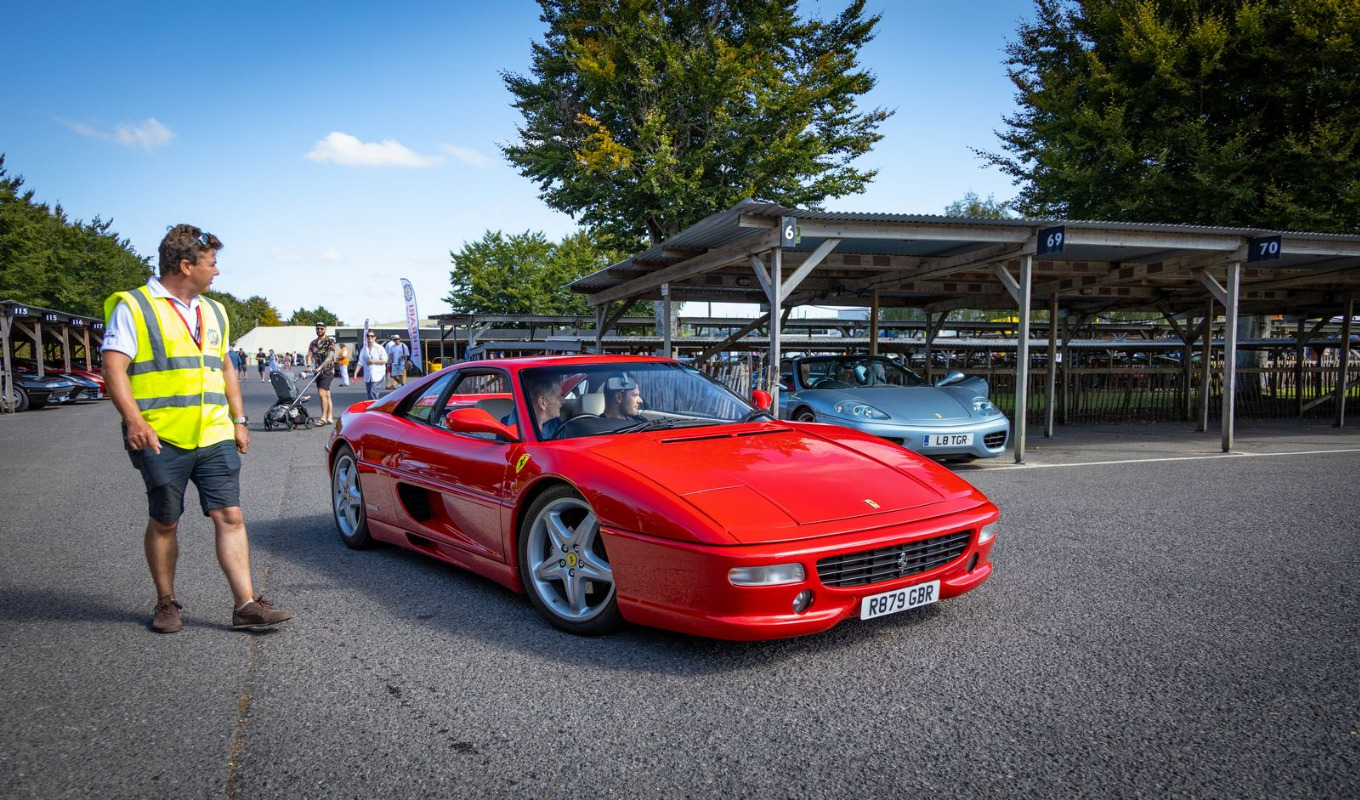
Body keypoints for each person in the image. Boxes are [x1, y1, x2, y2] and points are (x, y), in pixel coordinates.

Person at [100, 224, 292, 634]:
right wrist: (134, 420)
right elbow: (113, 367)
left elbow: (225, 368)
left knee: (231, 515)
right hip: (160, 436)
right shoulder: (135, 307)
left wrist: (239, 420)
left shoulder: (215, 311)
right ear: (186, 266)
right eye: (212, 263)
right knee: (166, 521)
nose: (217, 271)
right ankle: (166, 602)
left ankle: (246, 604)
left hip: (214, 433)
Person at [307, 323, 337, 426]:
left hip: (327, 371)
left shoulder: (330, 341)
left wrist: (320, 367)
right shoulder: (313, 343)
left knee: (321, 393)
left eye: (321, 329)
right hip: (317, 372)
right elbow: (309, 355)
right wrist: (309, 365)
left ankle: (323, 417)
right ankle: (330, 417)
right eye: (317, 329)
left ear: (325, 329)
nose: (319, 330)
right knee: (326, 395)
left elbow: (329, 357)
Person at [358, 331, 388, 400]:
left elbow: (384, 360)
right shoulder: (364, 349)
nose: (370, 337)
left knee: (373, 392)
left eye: (372, 336)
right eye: (368, 336)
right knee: (369, 393)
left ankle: (375, 405)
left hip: (378, 374)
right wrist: (355, 373)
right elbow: (360, 362)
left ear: (375, 337)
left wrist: (373, 361)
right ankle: (372, 405)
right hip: (368, 374)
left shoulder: (379, 348)